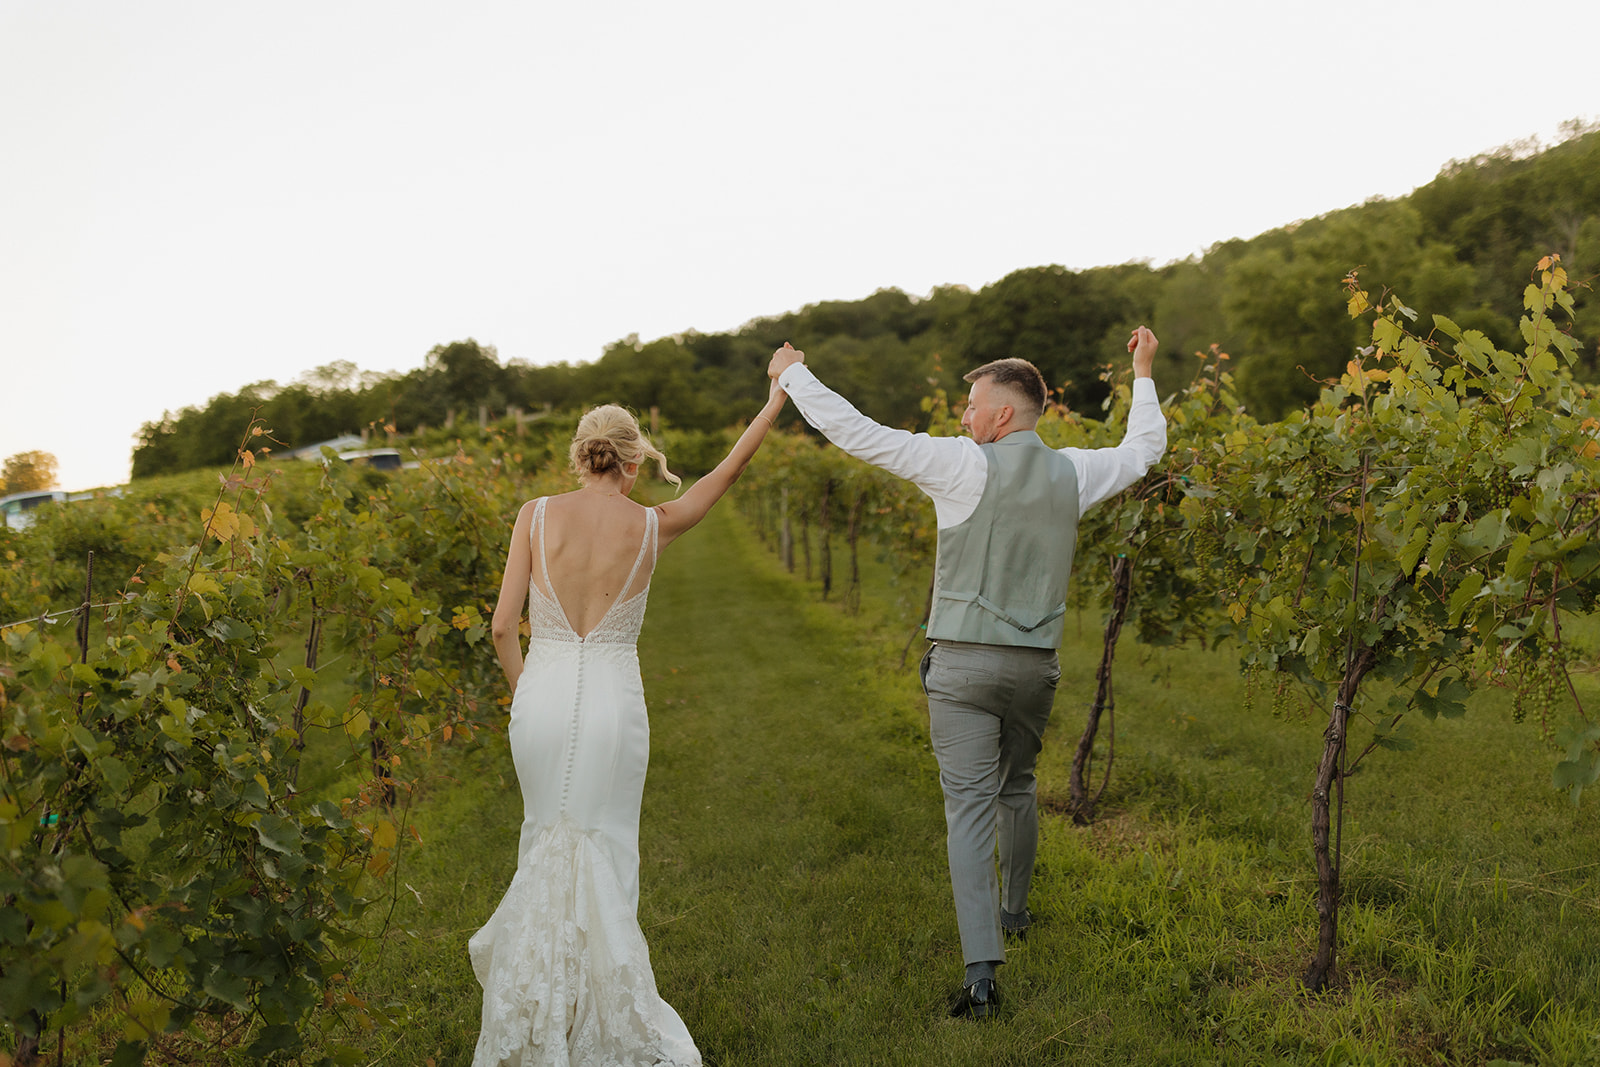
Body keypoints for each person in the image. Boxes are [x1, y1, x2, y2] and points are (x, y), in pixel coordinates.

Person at [767, 329, 1166, 1019]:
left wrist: (795, 375)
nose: (963, 417)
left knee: (968, 808)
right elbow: (1144, 450)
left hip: (960, 667)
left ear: (1003, 415)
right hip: (1035, 670)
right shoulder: (1076, 471)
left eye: (972, 405)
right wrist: (1143, 371)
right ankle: (1016, 911)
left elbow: (858, 432)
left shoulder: (959, 465)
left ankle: (982, 974)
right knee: (1018, 785)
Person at [469, 380, 789, 1066]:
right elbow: (727, 470)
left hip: (542, 700)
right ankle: (599, 1018)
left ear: (580, 456)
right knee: (605, 851)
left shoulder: (533, 514)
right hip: (614, 702)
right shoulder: (652, 523)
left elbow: (501, 627)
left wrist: (528, 698)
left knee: (543, 841)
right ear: (633, 459)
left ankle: (532, 1018)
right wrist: (771, 398)